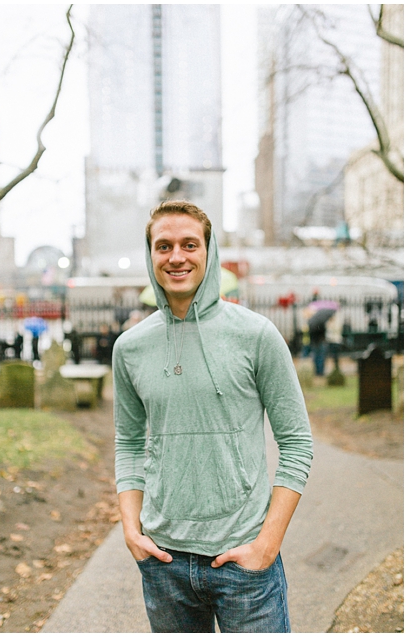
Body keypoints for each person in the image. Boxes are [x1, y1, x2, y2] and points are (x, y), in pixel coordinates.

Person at [113, 200, 313, 633]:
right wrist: (132, 530)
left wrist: (267, 544)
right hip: (164, 563)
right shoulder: (129, 348)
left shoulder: (256, 335)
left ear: (209, 251)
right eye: (163, 246)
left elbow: (296, 443)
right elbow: (128, 444)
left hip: (246, 562)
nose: (177, 256)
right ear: (151, 256)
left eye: (189, 244)